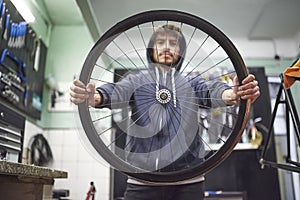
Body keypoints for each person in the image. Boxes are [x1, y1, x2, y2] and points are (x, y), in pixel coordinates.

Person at [70, 24, 260, 200]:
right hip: (141, 180)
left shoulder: (191, 83)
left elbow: (211, 91)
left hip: (188, 180)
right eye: (160, 42)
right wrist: (96, 97)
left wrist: (233, 94)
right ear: (152, 49)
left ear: (181, 52)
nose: (167, 47)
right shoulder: (136, 81)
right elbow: (117, 91)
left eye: (173, 43)